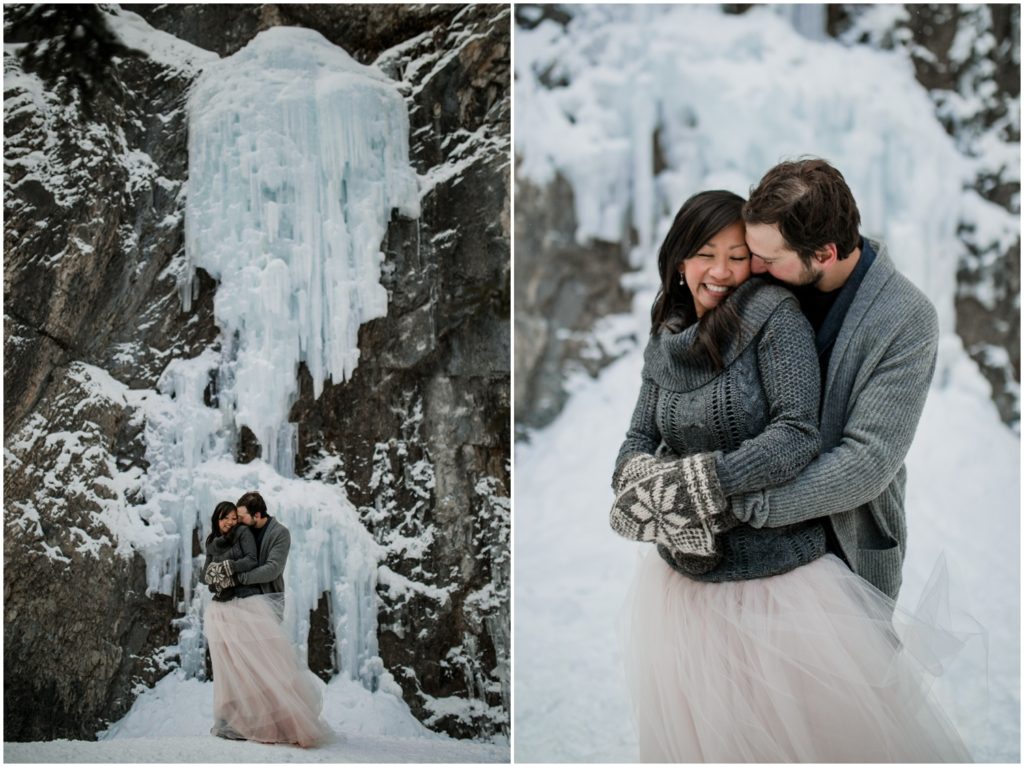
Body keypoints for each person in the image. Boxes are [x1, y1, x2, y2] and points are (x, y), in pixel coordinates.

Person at [610, 181, 971, 762]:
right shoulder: (715, 311)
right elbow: (642, 432)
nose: (744, 269)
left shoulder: (899, 318)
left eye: (757, 257)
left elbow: (865, 462)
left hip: (824, 548)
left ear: (822, 254)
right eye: (718, 254)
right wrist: (646, 487)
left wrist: (718, 497)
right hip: (698, 572)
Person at [202, 496, 331, 747]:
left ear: (258, 515)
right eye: (233, 517)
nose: (237, 521)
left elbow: (272, 568)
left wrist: (234, 578)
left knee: (268, 666)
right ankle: (245, 721)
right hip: (240, 603)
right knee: (244, 668)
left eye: (242, 517)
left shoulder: (279, 533)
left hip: (263, 602)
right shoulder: (242, 532)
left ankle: (282, 721)